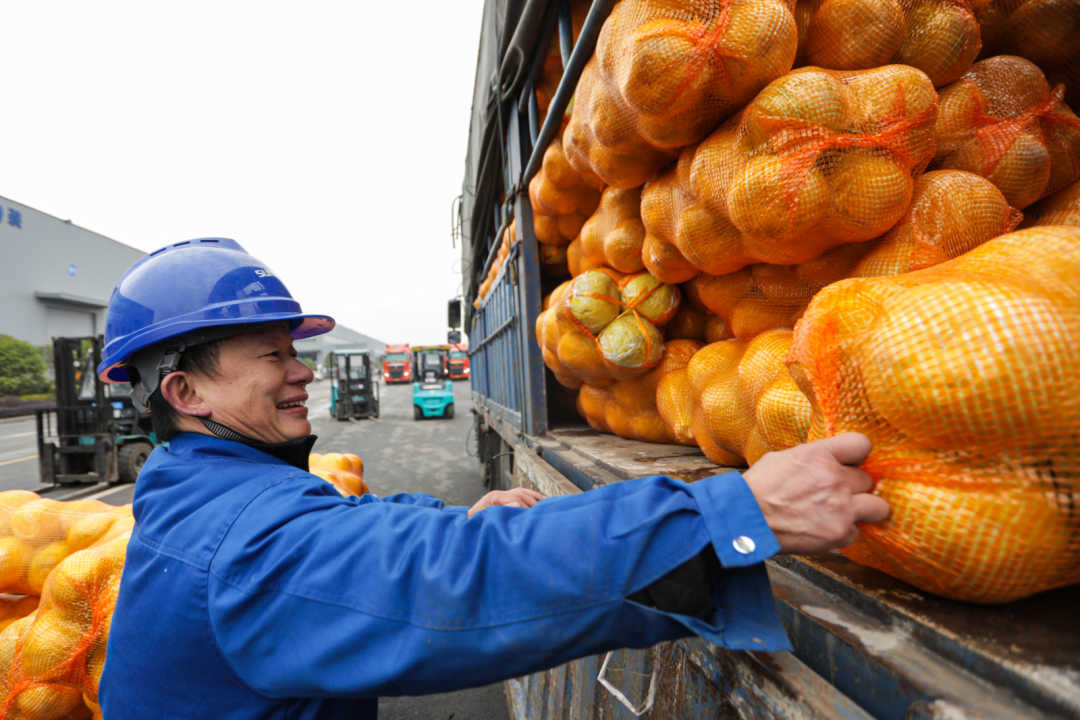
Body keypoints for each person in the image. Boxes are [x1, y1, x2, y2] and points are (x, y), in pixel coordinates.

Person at [97, 238, 889, 719]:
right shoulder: (243, 546)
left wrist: (459, 521)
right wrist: (736, 511)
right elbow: (457, 585)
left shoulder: (189, 489)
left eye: (292, 349)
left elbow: (345, 530)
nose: (302, 371)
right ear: (186, 393)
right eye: (271, 354)